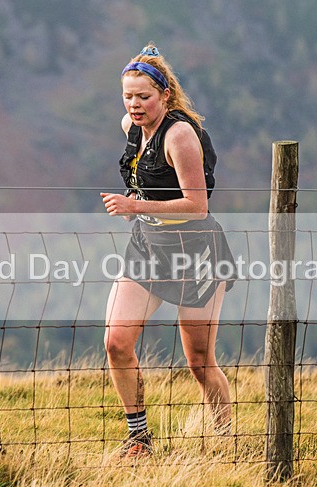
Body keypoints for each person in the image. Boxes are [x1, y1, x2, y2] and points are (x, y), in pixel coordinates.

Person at [100, 43, 237, 458]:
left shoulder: (180, 135)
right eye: (128, 96)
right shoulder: (131, 126)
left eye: (144, 96)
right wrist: (135, 199)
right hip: (147, 247)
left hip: (195, 253)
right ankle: (139, 440)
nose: (135, 104)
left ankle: (226, 439)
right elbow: (147, 178)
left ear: (166, 96)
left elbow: (197, 205)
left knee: (198, 361)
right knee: (116, 343)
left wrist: (134, 205)